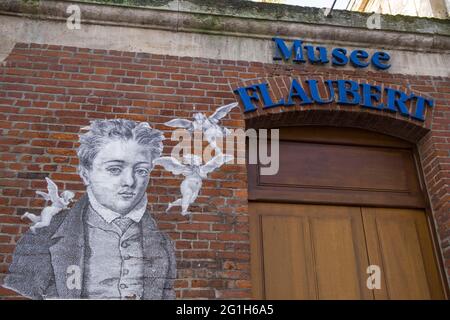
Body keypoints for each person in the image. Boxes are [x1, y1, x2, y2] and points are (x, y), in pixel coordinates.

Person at [3, 119, 176, 300]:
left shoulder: (162, 242)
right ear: (85, 174)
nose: (130, 182)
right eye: (115, 169)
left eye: (141, 171)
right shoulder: (45, 235)